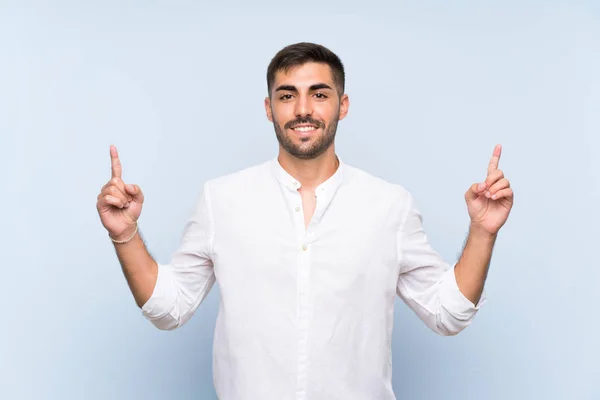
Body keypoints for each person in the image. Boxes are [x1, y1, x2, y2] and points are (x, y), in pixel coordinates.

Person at [96, 42, 513, 400]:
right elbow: (169, 309)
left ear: (342, 105)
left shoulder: (390, 206)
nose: (302, 110)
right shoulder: (221, 199)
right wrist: (126, 235)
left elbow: (448, 313)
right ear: (268, 107)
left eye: (318, 94)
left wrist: (482, 231)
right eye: (286, 95)